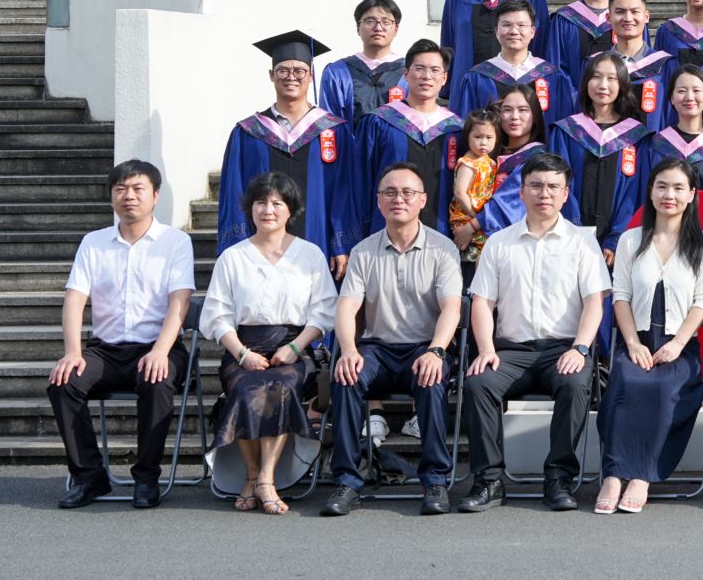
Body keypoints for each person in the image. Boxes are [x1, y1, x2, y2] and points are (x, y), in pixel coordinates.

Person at [459, 153, 610, 512]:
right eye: (536, 185)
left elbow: (594, 302)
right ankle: (489, 480)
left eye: (554, 187)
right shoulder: (499, 242)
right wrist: (485, 349)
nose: (545, 193)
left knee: (575, 384)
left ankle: (559, 477)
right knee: (479, 384)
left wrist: (581, 348)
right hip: (510, 352)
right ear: (521, 191)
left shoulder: (581, 242)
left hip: (563, 350)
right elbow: (482, 302)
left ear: (565, 194)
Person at [49, 160, 196, 509]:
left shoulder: (175, 242)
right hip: (106, 351)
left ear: (155, 195)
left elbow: (181, 300)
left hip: (159, 346)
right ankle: (89, 477)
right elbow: (75, 298)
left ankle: (146, 478)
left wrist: (160, 350)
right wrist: (73, 352)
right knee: (63, 383)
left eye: (138, 188)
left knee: (156, 380)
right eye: (121, 189)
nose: (129, 196)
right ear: (112, 196)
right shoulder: (94, 242)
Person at [321, 163, 464, 517]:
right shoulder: (363, 251)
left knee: (432, 378)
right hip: (377, 350)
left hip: (424, 347)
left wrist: (436, 350)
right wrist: (349, 350)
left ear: (422, 201)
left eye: (407, 193)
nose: (398, 199)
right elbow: (346, 306)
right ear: (379, 201)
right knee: (346, 375)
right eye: (390, 192)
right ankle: (348, 481)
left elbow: (451, 308)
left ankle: (434, 480)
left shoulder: (443, 249)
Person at [202, 173, 336, 516]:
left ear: (291, 210)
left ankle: (264, 477)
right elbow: (217, 315)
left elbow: (324, 311)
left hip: (295, 348)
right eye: (261, 203)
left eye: (277, 203)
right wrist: (242, 353)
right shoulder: (233, 257)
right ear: (250, 209)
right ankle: (254, 476)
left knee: (280, 386)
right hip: (243, 349)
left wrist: (295, 348)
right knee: (246, 388)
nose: (268, 210)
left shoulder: (309, 254)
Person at [595, 160, 703, 514]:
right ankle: (613, 475)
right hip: (637, 341)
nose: (669, 195)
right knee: (626, 384)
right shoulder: (631, 239)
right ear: (650, 192)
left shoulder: (702, 243)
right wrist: (633, 343)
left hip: (680, 347)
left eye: (679, 188)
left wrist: (677, 344)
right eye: (662, 186)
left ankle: (642, 475)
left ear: (692, 194)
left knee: (663, 391)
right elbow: (621, 296)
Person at [217, 30, 358, 271]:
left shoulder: (334, 130)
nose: (291, 77)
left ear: (311, 76)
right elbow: (234, 191)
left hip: (319, 240)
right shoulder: (248, 132)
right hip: (260, 248)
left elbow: (345, 191)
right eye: (283, 70)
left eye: (299, 71)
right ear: (271, 75)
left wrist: (341, 243)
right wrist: (237, 247)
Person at [548, 51, 652, 261]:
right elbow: (558, 183)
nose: (603, 85)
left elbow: (635, 192)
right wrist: (575, 229)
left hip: (618, 246)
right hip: (570, 240)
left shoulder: (636, 136)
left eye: (612, 78)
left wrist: (616, 238)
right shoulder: (567, 131)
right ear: (586, 82)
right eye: (596, 77)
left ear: (622, 85)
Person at [354, 39, 461, 233]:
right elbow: (360, 181)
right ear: (406, 74)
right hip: (385, 234)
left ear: (444, 78)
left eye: (435, 70)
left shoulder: (455, 128)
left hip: (442, 237)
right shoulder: (379, 121)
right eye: (419, 69)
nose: (427, 76)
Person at [451, 0, 578, 127]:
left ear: (532, 32)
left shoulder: (552, 76)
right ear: (496, 31)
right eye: (506, 25)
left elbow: (562, 126)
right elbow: (466, 127)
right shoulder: (477, 77)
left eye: (521, 25)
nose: (513, 31)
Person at [470, 84, 550, 234]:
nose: (514, 117)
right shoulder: (487, 153)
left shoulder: (537, 158)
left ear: (535, 116)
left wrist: (472, 226)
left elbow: (510, 202)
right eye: (507, 110)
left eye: (523, 110)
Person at [317, 0, 406, 123]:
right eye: (370, 21)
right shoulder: (337, 73)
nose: (378, 28)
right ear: (358, 28)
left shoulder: (409, 72)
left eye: (386, 22)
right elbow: (329, 124)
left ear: (396, 29)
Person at [640, 65, 703, 194]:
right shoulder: (657, 144)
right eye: (681, 91)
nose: (689, 97)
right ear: (671, 98)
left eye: (696, 90)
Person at [606, 0, 676, 130]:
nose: (628, 18)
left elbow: (673, 115)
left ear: (646, 17)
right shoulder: (596, 65)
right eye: (620, 12)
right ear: (608, 17)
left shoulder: (665, 65)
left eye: (635, 11)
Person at [450, 109, 500, 265]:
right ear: (468, 137)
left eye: (489, 137)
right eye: (478, 137)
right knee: (476, 252)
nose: (483, 142)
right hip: (466, 215)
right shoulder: (468, 164)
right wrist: (474, 215)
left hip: (482, 214)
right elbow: (460, 193)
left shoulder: (490, 162)